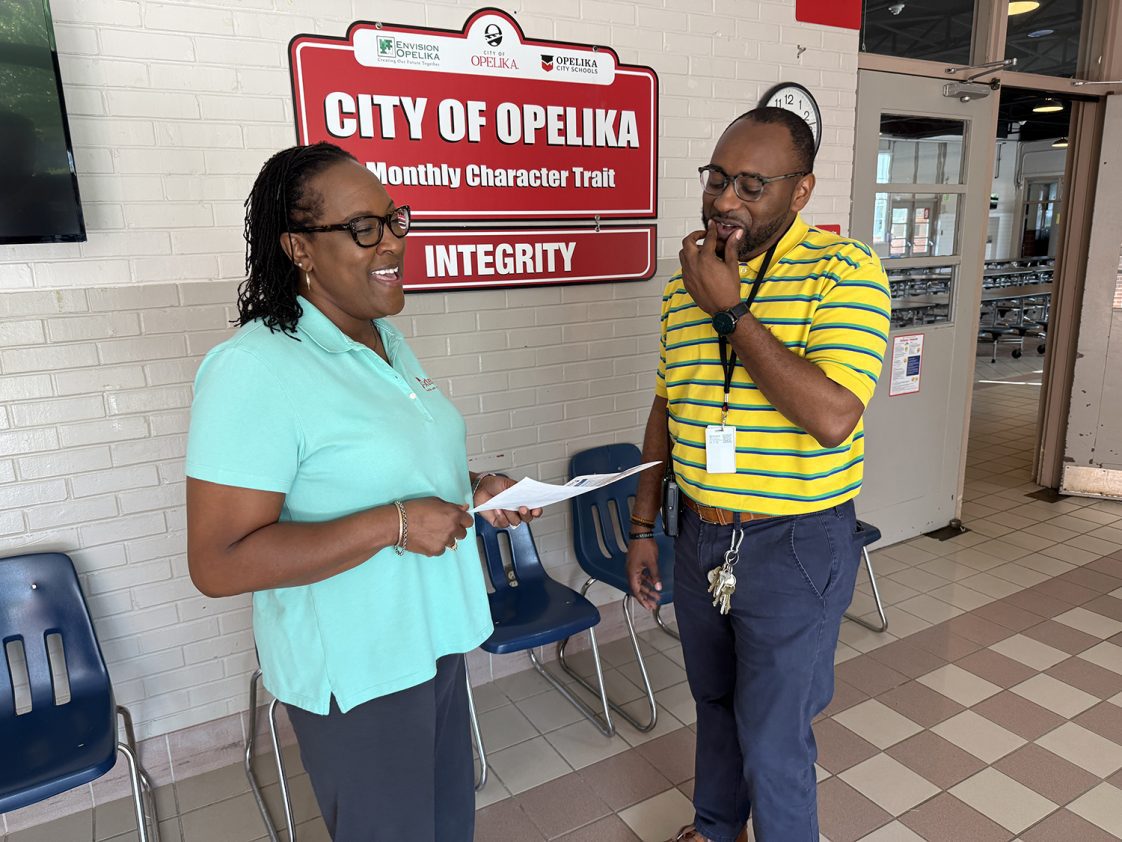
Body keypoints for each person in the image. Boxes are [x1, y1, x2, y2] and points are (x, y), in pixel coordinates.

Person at [184, 141, 537, 842]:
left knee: (446, 828)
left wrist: (475, 488)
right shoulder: (252, 369)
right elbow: (218, 561)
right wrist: (397, 523)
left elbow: (379, 468)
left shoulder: (379, 338)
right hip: (361, 667)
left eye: (394, 219)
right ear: (299, 249)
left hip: (431, 637)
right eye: (362, 228)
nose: (393, 242)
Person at [625, 109, 891, 842]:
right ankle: (716, 829)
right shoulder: (687, 281)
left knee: (774, 738)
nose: (724, 201)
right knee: (712, 702)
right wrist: (645, 525)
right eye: (716, 179)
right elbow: (666, 405)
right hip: (700, 534)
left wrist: (731, 307)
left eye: (750, 184)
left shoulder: (847, 271)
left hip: (795, 543)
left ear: (799, 193)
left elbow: (834, 414)